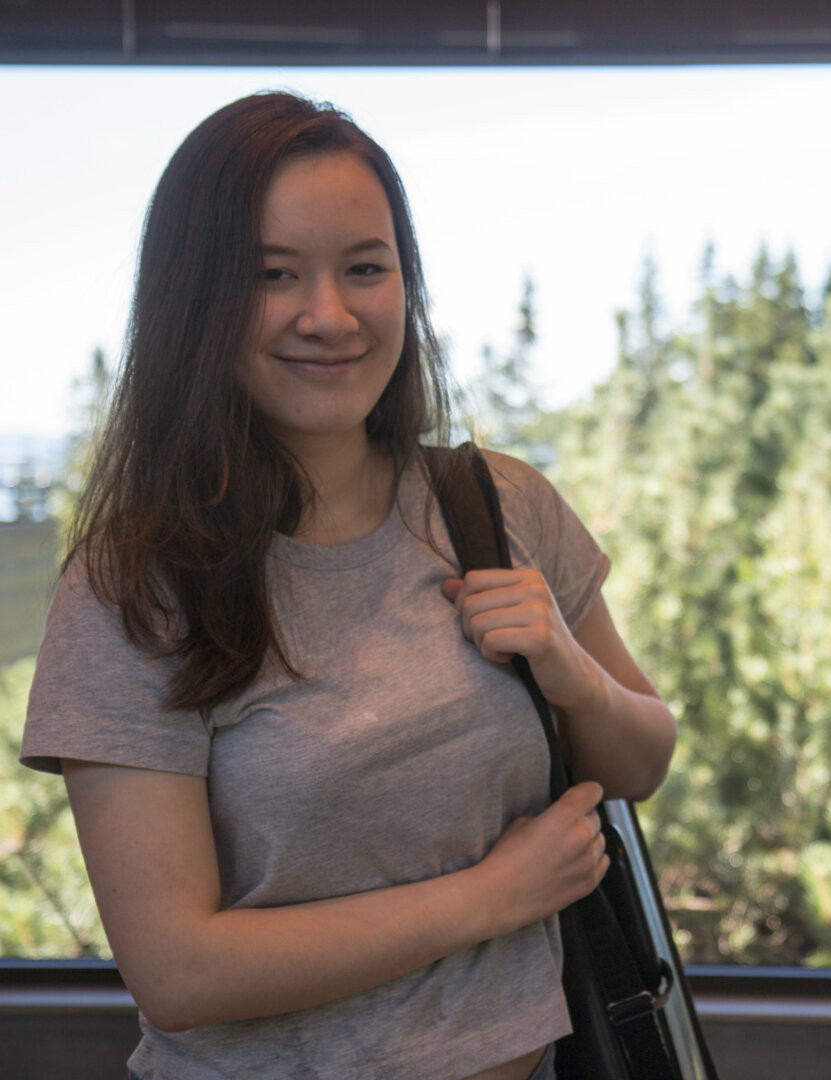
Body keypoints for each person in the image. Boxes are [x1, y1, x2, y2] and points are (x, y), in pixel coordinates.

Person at [19, 92, 677, 1080]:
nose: (328, 316)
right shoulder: (134, 586)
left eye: (364, 269)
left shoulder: (495, 506)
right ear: (196, 302)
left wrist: (571, 671)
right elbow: (178, 970)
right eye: (272, 275)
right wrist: (492, 897)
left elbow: (642, 760)